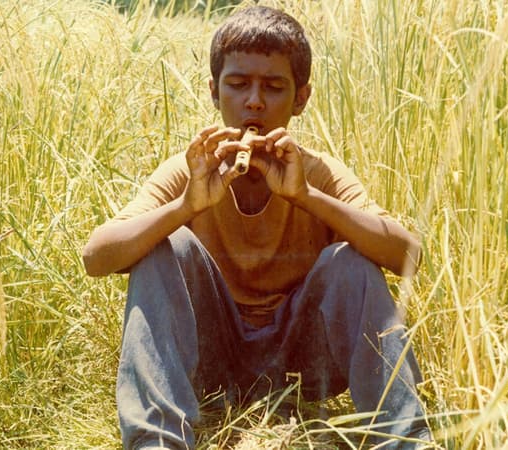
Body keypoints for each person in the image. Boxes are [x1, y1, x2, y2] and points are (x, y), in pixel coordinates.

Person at [82, 5, 433, 449]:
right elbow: (96, 257)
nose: (254, 102)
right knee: (163, 245)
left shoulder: (316, 173)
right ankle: (156, 442)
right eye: (237, 84)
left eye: (273, 87)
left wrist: (307, 197)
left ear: (300, 99)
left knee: (352, 262)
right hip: (210, 364)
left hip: (300, 367)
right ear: (214, 92)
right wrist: (186, 206)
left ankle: (406, 441)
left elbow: (408, 256)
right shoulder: (190, 172)